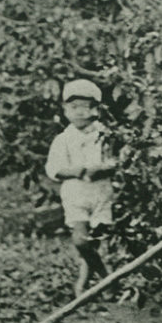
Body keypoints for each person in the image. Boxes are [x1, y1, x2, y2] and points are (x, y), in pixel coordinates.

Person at [45, 79, 117, 298]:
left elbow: (115, 161)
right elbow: (54, 169)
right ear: (65, 110)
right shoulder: (63, 139)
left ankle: (83, 286)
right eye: (73, 108)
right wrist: (76, 170)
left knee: (96, 240)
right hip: (76, 194)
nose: (79, 113)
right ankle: (106, 278)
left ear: (95, 109)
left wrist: (102, 169)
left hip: (100, 193)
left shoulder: (104, 136)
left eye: (85, 107)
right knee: (80, 240)